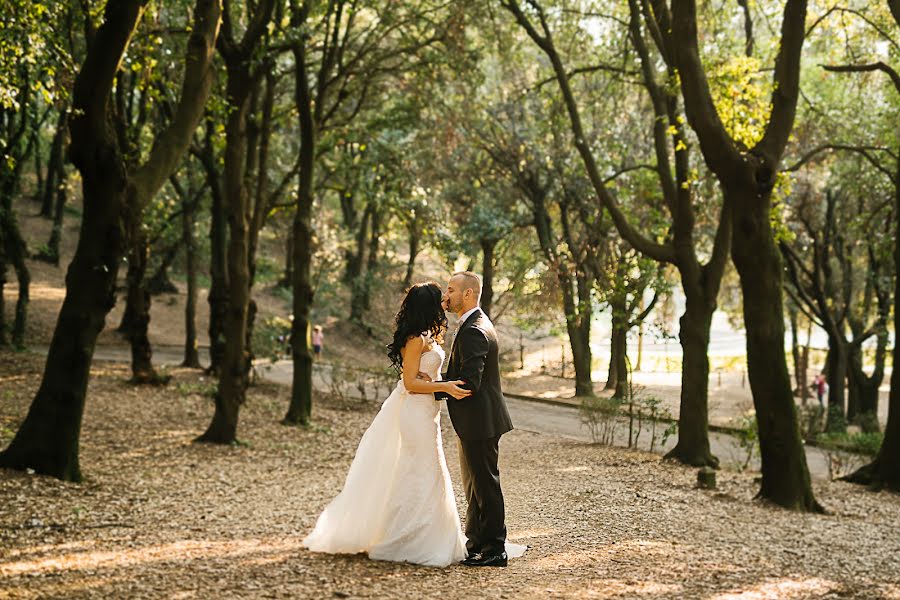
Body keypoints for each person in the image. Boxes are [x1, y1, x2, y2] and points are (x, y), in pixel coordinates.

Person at [302, 282, 473, 567]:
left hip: (427, 411)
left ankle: (432, 533)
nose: (444, 300)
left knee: (429, 468)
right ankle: (405, 537)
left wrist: (438, 383)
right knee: (418, 469)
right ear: (428, 305)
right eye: (439, 298)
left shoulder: (429, 334)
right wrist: (445, 386)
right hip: (414, 411)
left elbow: (424, 376)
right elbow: (410, 383)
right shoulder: (416, 338)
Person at [432, 271, 517, 568]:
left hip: (481, 422)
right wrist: (438, 383)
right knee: (476, 487)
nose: (447, 295)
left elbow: (469, 383)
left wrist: (434, 388)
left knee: (485, 485)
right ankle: (478, 543)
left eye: (452, 289)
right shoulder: (475, 323)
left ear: (468, 294)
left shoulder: (473, 330)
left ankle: (495, 549)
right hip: (479, 420)